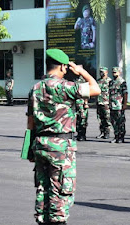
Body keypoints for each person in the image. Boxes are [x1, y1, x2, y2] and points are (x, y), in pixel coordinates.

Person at [26, 48, 100, 225]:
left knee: (43, 188)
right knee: (60, 190)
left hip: (40, 144)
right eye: (65, 67)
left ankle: (42, 220)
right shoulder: (64, 86)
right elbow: (95, 89)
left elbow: (30, 123)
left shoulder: (35, 88)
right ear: (61, 66)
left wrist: (29, 149)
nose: (66, 70)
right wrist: (82, 72)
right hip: (60, 147)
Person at [109, 67, 128, 143]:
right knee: (113, 122)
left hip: (119, 105)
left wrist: (125, 104)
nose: (114, 74)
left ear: (119, 72)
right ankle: (116, 136)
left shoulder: (122, 82)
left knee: (120, 122)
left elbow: (125, 93)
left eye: (115, 72)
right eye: (113, 72)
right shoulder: (111, 82)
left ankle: (121, 137)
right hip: (112, 105)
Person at [96, 67, 112, 139]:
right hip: (99, 102)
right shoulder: (98, 81)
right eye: (100, 72)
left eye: (103, 72)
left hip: (106, 102)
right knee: (100, 118)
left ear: (107, 72)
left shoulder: (110, 81)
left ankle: (107, 132)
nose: (101, 73)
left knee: (107, 118)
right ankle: (102, 132)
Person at [75, 76, 89, 141]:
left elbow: (86, 93)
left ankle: (83, 135)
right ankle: (79, 134)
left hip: (82, 103)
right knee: (77, 119)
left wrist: (86, 103)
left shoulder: (83, 81)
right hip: (76, 103)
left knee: (83, 119)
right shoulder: (74, 79)